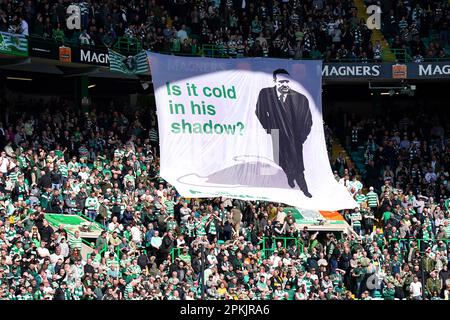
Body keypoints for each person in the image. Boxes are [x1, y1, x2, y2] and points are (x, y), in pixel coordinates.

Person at [255, 68, 313, 197]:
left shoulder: (300, 99)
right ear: (275, 81)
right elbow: (259, 112)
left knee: (298, 165)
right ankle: (288, 177)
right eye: (281, 82)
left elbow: (308, 121)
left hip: (295, 138)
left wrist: (300, 138)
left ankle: (304, 189)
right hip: (277, 135)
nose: (285, 84)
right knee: (280, 161)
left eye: (287, 81)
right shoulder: (265, 94)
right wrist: (270, 128)